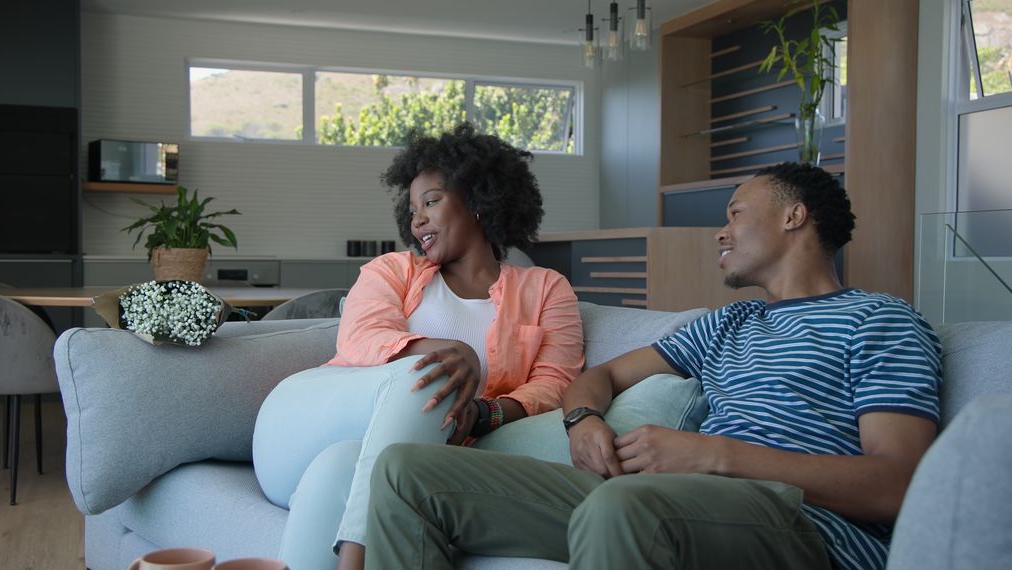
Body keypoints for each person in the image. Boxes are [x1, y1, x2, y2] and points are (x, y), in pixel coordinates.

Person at [364, 162, 942, 570]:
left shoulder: (880, 319)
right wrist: (584, 419)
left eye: (736, 212)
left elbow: (899, 484)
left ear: (794, 216)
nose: (721, 229)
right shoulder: (732, 322)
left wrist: (712, 455)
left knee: (625, 505)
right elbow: (604, 376)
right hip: (669, 502)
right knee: (405, 474)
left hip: (802, 526)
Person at [251, 123, 585, 569]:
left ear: (479, 200)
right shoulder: (392, 270)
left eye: (431, 202)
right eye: (412, 209)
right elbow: (360, 338)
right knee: (437, 373)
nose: (418, 219)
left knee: (341, 467)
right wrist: (450, 352)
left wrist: (486, 414)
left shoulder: (546, 288)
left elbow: (555, 383)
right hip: (302, 423)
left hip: (366, 456)